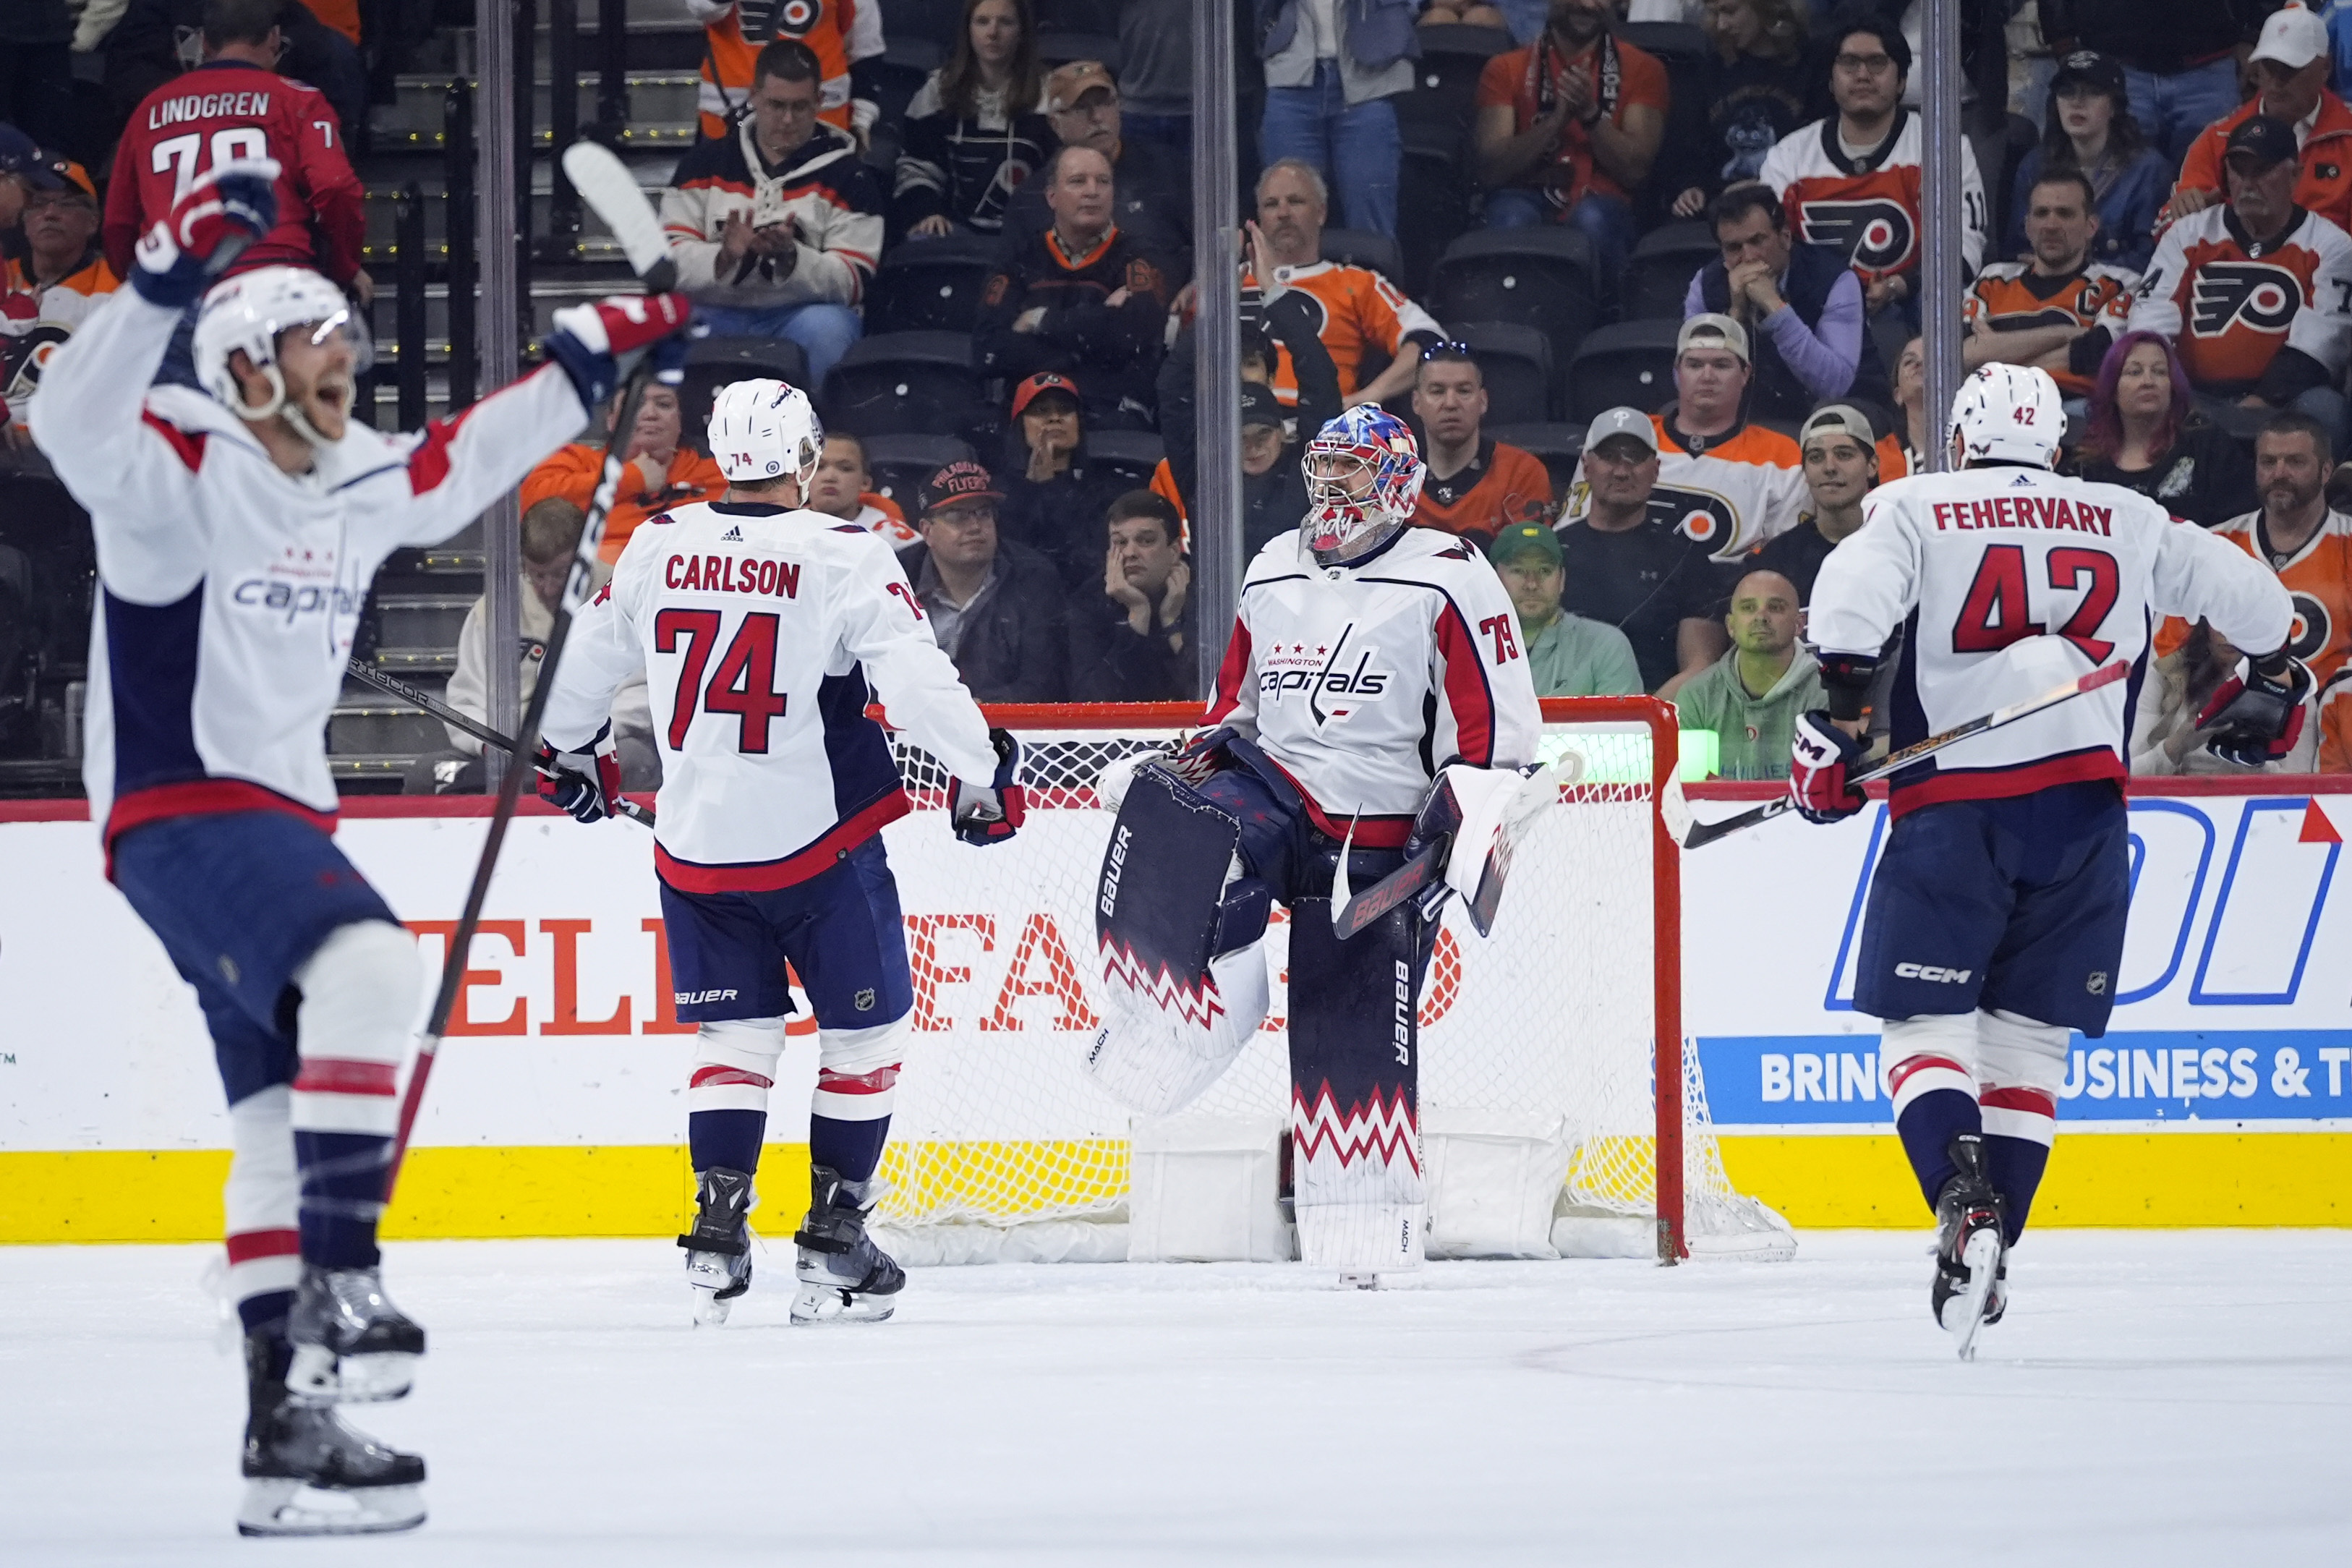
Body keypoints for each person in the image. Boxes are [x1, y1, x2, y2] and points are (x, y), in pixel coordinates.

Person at [26, 156, 694, 1533]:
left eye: (347, 338)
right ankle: (343, 1277)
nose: (348, 359)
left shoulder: (349, 478)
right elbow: (74, 420)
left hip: (275, 812)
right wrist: (155, 279)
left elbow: (468, 460)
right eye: (316, 340)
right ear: (244, 364)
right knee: (377, 973)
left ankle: (288, 1434)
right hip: (177, 806)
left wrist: (587, 353)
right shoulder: (174, 470)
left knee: (270, 1119)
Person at [1791, 362, 2303, 1358]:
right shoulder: (2128, 514)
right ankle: (1994, 1244)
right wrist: (2275, 672)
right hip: (2083, 815)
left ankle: (1960, 1202)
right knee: (2029, 1047)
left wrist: (1841, 723)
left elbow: (1851, 607)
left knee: (1923, 1025)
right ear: (2059, 445)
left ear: (1961, 442)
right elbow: (2260, 604)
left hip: (1956, 804)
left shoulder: (1918, 503)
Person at [533, 377, 1019, 1330]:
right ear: (802, 463)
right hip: (818, 847)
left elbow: (580, 667)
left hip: (695, 850)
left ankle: (717, 1234)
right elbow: (917, 682)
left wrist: (575, 754)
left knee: (735, 1039)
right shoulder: (843, 550)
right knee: (866, 1036)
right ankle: (835, 1236)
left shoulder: (660, 541)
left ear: (717, 456)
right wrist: (980, 770)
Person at [1085, 404, 1542, 1283]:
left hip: (1376, 835)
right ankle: (1180, 1029)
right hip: (1277, 792)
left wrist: (1470, 815)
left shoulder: (1452, 574)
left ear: (1400, 481)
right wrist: (1179, 765)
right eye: (1322, 468)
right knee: (1180, 827)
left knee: (1350, 1048)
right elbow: (1236, 708)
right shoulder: (1271, 566)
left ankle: (1365, 1239)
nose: (1331, 487)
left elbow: (1498, 735)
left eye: (1353, 472)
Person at [102, 0, 370, 335]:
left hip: (179, 287)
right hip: (273, 277)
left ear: (204, 44)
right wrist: (343, 266)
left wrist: (148, 281)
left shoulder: (150, 108)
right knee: (271, 387)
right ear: (274, 38)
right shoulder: (299, 101)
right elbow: (335, 186)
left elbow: (117, 221)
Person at [660, 39, 885, 391]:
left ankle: (823, 442)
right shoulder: (702, 165)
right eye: (776, 105)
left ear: (820, 103)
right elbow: (668, 263)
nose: (787, 120)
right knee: (662, 320)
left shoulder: (850, 176)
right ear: (753, 96)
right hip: (715, 311)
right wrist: (724, 257)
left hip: (799, 317)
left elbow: (854, 281)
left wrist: (793, 258)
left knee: (830, 329)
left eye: (800, 107)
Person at [2127, 116, 2352, 443]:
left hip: (2282, 402)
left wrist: (2261, 402)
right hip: (2192, 393)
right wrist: (2170, 389)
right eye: (2239, 170)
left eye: (2261, 171)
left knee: (2325, 407)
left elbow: (2322, 338)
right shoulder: (2189, 233)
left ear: (2295, 175)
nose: (2248, 183)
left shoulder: (2331, 244)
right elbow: (2152, 315)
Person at [412, 498, 658, 795]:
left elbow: (642, 693)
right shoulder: (493, 610)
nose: (550, 588)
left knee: (633, 762)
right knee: (424, 774)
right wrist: (492, 744)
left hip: (601, 745)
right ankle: (527, 783)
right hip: (512, 751)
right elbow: (467, 700)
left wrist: (581, 739)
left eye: (561, 573)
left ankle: (529, 784)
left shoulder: (624, 594)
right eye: (538, 575)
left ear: (586, 555)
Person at [1756, 9, 1985, 319]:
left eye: (1877, 63)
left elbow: (1964, 251)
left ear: (1902, 80)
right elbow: (1767, 249)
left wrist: (1898, 286)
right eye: (1849, 63)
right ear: (1830, 80)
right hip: (1814, 309)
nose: (1863, 75)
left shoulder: (1946, 148)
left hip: (1912, 307)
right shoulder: (1789, 156)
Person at [1564, 314, 1807, 560]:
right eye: (1695, 365)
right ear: (1677, 371)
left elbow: (1786, 558)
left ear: (1745, 374)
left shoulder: (1782, 455)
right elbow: (1572, 537)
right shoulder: (1624, 435)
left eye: (1722, 365)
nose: (1708, 376)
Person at [973, 143, 1170, 431]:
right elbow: (988, 350)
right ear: (1051, 196)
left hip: (1109, 412)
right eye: (1078, 181)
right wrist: (1096, 330)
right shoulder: (1019, 259)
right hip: (1030, 413)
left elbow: (1137, 332)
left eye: (1103, 181)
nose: (1092, 191)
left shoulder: (1139, 256)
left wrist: (1041, 321)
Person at [1471, 0, 1669, 282]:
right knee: (1510, 218)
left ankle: (1607, 322)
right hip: (1525, 193)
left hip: (1603, 200)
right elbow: (1492, 169)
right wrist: (1556, 121)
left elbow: (1635, 171)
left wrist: (1589, 114)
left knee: (1593, 218)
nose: (1587, 5)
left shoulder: (1644, 68)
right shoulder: (1505, 68)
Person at [2154, 412, 2352, 691]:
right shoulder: (2211, 545)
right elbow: (2165, 653)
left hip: (2326, 716)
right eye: (2269, 462)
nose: (2280, 473)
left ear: (2326, 471)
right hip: (2217, 714)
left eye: (2295, 462)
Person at [1556, 406, 1731, 694]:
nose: (1622, 471)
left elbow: (1701, 667)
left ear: (1656, 470)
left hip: (1658, 719)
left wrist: (1644, 719)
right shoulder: (1555, 551)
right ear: (1586, 467)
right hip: (1563, 720)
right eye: (1609, 457)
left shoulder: (1688, 558)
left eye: (1635, 458)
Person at [1243, 160, 1444, 410]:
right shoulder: (1228, 282)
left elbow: (1431, 342)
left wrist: (1371, 395)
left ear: (1321, 213)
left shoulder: (1357, 283)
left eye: (1295, 201)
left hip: (1319, 429)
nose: (1283, 213)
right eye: (1271, 204)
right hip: (1231, 428)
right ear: (1259, 217)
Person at [1682, 183, 1886, 421]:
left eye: (1758, 241)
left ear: (1786, 238)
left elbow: (1833, 385)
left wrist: (1774, 307)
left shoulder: (1835, 279)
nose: (1748, 257)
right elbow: (1687, 383)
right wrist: (1735, 318)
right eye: (1734, 248)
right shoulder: (1706, 283)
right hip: (1753, 423)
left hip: (1849, 418)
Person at [2165, 4, 2352, 237]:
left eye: (2289, 69)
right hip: (2234, 267)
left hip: (2325, 267)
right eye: (2269, 66)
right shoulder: (2219, 138)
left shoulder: (2348, 137)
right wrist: (2184, 211)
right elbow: (2166, 233)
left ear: (2326, 68)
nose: (2276, 81)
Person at [1006, 59, 1193, 284]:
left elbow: (1219, 246)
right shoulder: (1031, 199)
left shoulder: (1170, 170)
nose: (1097, 117)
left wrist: (1198, 286)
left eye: (1105, 103)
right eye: (1082, 108)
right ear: (1056, 123)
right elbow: (1008, 283)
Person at [896, 459, 1068, 701]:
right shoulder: (896, 575)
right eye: (958, 516)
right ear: (926, 531)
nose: (975, 526)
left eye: (984, 514)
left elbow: (1044, 682)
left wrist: (980, 709)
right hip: (911, 726)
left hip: (1009, 729)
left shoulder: (1035, 577)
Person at [1962, 169, 2137, 404]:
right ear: (2027, 226)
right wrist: (2069, 334)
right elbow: (1967, 355)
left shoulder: (2119, 284)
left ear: (2091, 226)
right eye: (2041, 213)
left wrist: (1996, 352)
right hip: (1996, 411)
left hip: (2076, 413)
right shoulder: (1991, 280)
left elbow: (2093, 355)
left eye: (2065, 214)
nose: (2051, 225)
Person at [1257, 0, 1420, 240]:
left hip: (1371, 74)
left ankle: (1373, 278)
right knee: (1288, 218)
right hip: (1291, 74)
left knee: (1371, 219)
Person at [2039, 1, 2270, 168]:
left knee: (2214, 187)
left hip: (2210, 66)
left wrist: (2255, 35)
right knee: (2114, 193)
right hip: (2115, 68)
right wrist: (2063, 42)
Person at [519, 380, 726, 565]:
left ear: (680, 420)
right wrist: (629, 478)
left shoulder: (720, 475)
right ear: (610, 419)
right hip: (596, 590)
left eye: (663, 404)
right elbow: (535, 506)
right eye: (635, 404)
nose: (650, 414)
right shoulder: (580, 462)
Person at [893, 0, 1050, 240]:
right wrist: (928, 212)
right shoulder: (938, 92)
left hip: (1032, 234)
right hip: (956, 229)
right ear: (968, 31)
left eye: (1005, 22)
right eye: (982, 22)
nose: (993, 33)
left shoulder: (1050, 95)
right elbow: (916, 166)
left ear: (1022, 32)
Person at [2002, 51, 2170, 273]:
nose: (2077, 102)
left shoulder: (2149, 169)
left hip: (2121, 293)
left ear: (2114, 106)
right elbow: (2018, 249)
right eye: (2067, 92)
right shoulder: (2034, 166)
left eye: (2093, 92)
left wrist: (2078, 270)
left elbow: (2151, 259)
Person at [2068, 331, 2257, 529]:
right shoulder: (2086, 463)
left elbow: (2238, 527)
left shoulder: (2207, 444)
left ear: (2173, 386)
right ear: (2112, 389)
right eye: (2134, 372)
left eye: (2160, 372)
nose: (2148, 382)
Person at [1667, 0, 1812, 219]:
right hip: (1720, 205)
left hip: (1791, 204)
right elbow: (1691, 150)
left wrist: (1766, 184)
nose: (1722, 25)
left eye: (1730, 11)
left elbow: (1817, 151)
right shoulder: (1708, 71)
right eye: (1715, 14)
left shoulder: (1814, 65)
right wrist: (1692, 188)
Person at [1672, 568, 1823, 780]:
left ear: (1799, 624)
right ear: (1731, 626)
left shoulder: (1824, 692)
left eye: (1775, 607)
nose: (1761, 617)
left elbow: (1823, 784)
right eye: (1748, 608)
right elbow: (1688, 785)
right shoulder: (1697, 695)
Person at [2133, 620, 2321, 774]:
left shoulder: (2297, 692)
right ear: (2203, 625)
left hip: (2258, 812)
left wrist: (2258, 761)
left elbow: (2301, 790)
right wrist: (2176, 746)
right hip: (2171, 810)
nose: (2228, 633)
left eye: (2242, 621)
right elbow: (2128, 777)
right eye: (2219, 619)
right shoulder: (2164, 675)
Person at [1408, 344, 1554, 539]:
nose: (1451, 403)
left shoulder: (1522, 472)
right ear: (1416, 403)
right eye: (1437, 391)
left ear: (1483, 401)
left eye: (1464, 391)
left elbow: (1528, 562)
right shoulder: (1391, 476)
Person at [686, 0, 881, 145]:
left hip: (823, 126)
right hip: (727, 125)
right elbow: (702, 7)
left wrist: (861, 120)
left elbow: (865, 51)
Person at [1486, 519, 1640, 696]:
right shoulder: (1467, 649)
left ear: (1562, 580)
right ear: (1493, 579)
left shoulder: (1605, 646)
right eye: (1518, 571)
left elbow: (1621, 723)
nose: (1532, 584)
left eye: (1544, 570)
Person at [995, 370, 1122, 585]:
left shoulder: (1105, 491)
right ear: (1020, 425)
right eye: (1041, 411)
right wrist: (1034, 490)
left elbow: (1087, 563)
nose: (1055, 418)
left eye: (1065, 410)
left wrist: (1051, 490)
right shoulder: (999, 493)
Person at [1067, 489, 1196, 700]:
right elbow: (1095, 702)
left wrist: (1171, 623)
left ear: (1174, 552)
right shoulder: (1088, 604)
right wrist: (1137, 616)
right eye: (1120, 542)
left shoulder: (1207, 595)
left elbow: (1207, 693)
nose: (1130, 553)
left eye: (1145, 541)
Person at [1748, 402, 1876, 602]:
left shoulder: (1901, 547)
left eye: (1844, 455)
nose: (1830, 467)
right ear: (1805, 472)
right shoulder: (1778, 560)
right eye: (1816, 457)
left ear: (1872, 465)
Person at [2, 158, 116, 331]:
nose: (50, 213)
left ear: (93, 222)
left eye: (66, 204)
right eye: (39, 203)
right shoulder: (4, 276)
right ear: (24, 221)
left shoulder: (119, 285)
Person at [806, 430, 915, 545]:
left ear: (865, 483)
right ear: (802, 478)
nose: (829, 477)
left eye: (845, 468)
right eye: (819, 467)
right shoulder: (786, 526)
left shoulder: (895, 539)